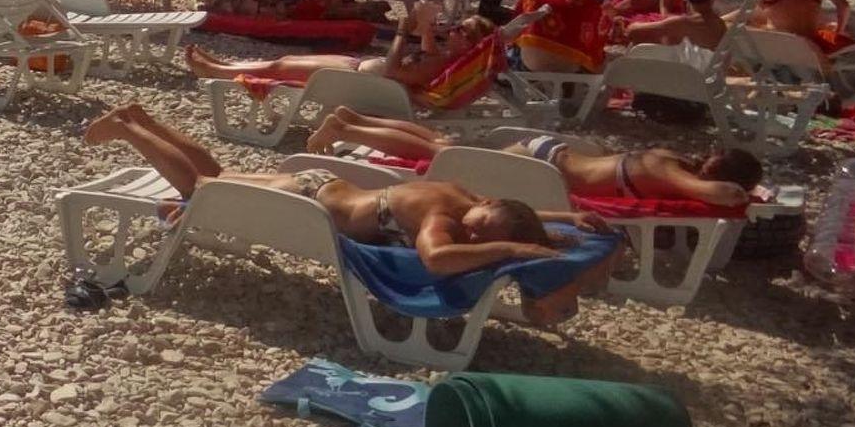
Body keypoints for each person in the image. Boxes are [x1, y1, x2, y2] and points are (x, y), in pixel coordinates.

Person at [85, 104, 608, 289]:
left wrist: (566, 219)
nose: (473, 234)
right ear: (488, 209)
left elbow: (514, 214)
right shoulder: (442, 219)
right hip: (311, 203)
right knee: (200, 189)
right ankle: (129, 130)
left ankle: (142, 119)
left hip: (319, 185)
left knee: (217, 176)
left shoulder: (463, 195)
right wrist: (511, 248)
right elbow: (437, 258)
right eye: (481, 229)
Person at [309, 107, 764, 208]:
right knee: (439, 152)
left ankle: (353, 120)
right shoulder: (671, 171)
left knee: (442, 144)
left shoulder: (666, 157)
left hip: (551, 156)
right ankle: (346, 130)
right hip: (545, 166)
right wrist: (747, 193)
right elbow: (717, 194)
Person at [187, 0, 497, 95]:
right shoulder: (444, 58)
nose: (455, 29)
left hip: (363, 80)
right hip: (360, 70)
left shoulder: (441, 64)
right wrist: (425, 23)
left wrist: (403, 31)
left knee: (280, 68)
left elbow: (394, 70)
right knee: (287, 58)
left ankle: (215, 71)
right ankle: (225, 66)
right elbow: (426, 49)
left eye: (462, 30)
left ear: (469, 44)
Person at [514, 0, 608, 74]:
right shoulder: (589, 0)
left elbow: (516, 25)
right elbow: (596, 37)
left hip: (532, 61)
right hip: (570, 66)